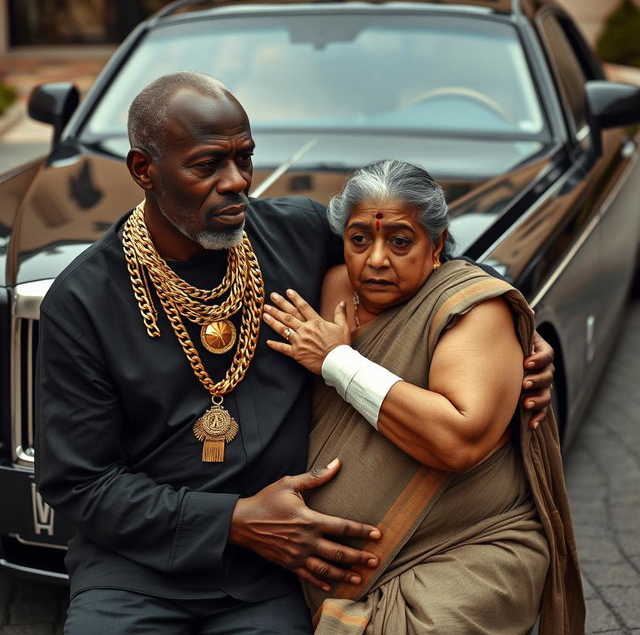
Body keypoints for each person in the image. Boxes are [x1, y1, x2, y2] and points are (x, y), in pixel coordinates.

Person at [35, 73, 554, 634]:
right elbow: (80, 482)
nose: (236, 183)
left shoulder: (296, 232)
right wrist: (234, 521)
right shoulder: (84, 299)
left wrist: (504, 324)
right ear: (144, 170)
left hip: (273, 576)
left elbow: (424, 258)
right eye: (207, 165)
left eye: (244, 158)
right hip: (136, 573)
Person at [263, 160, 584, 635]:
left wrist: (337, 362)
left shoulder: (473, 311)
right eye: (359, 240)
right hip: (324, 564)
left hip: (466, 546)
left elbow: (456, 441)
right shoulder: (326, 287)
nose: (375, 259)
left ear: (435, 246)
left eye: (399, 241)